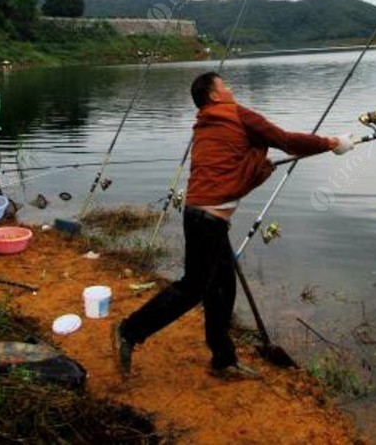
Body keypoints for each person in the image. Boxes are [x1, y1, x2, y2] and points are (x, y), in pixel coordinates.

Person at [113, 71, 355, 380]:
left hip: (202, 216)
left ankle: (223, 360)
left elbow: (229, 161)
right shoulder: (236, 115)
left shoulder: (206, 124)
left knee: (223, 289)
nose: (231, 89)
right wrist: (333, 143)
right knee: (193, 289)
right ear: (214, 95)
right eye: (225, 85)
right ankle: (128, 331)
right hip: (207, 220)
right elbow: (286, 141)